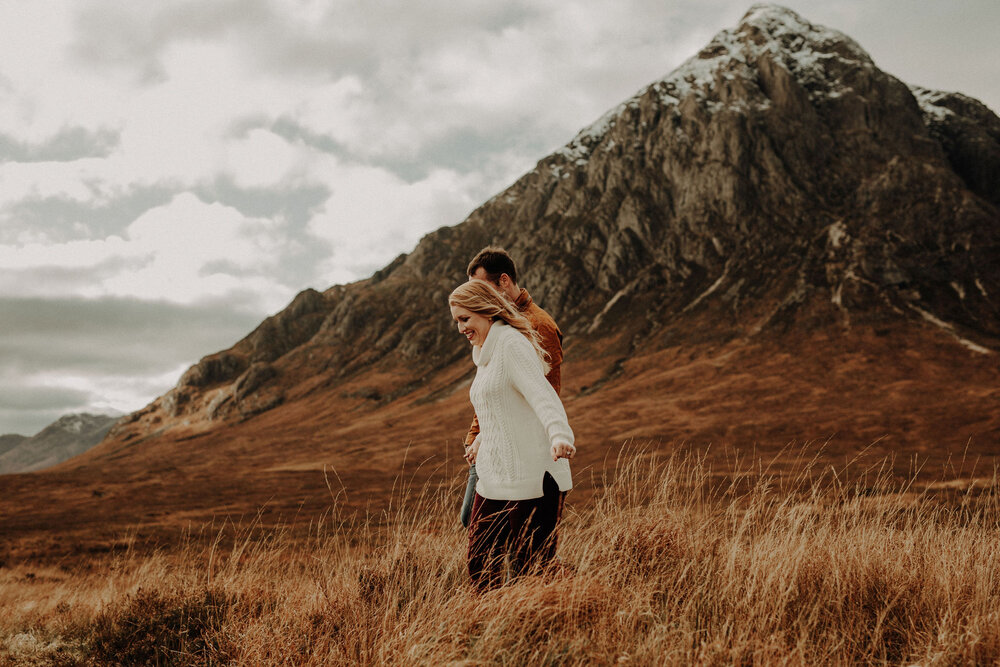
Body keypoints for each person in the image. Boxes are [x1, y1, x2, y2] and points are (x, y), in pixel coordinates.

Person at [448, 279, 576, 590]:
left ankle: (566, 611)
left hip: (534, 476)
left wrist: (560, 435)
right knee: (481, 562)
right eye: (456, 322)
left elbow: (542, 395)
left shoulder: (511, 345)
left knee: (532, 568)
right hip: (496, 476)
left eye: (465, 319)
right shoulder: (485, 353)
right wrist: (480, 441)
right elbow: (498, 404)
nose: (461, 328)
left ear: (486, 311)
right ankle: (493, 628)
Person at [459, 247, 564, 528]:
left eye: (482, 289)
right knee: (477, 523)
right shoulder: (493, 323)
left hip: (515, 449)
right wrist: (477, 436)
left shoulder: (538, 326)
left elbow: (545, 393)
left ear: (503, 281)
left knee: (496, 528)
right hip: (488, 442)